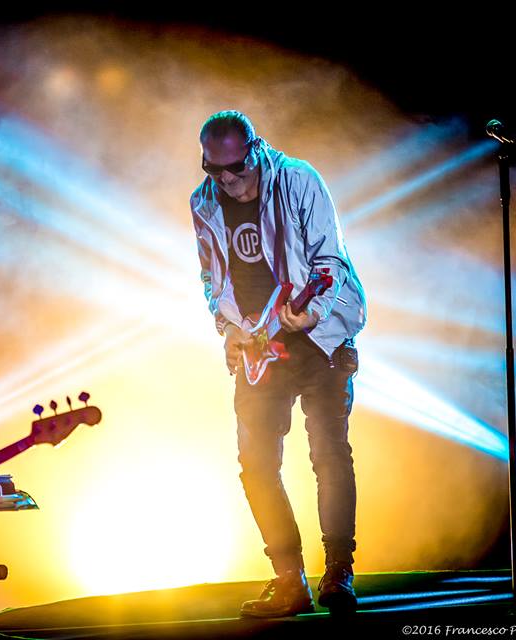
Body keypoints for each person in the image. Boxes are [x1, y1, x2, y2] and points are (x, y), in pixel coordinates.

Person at [190, 111, 367, 617]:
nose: (227, 180)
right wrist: (229, 331)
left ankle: (339, 574)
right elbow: (210, 279)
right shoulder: (203, 202)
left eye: (237, 168)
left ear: (256, 150)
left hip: (321, 340)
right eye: (214, 170)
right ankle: (289, 578)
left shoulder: (299, 180)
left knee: (328, 453)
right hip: (257, 346)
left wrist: (308, 311)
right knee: (255, 465)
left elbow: (329, 262)